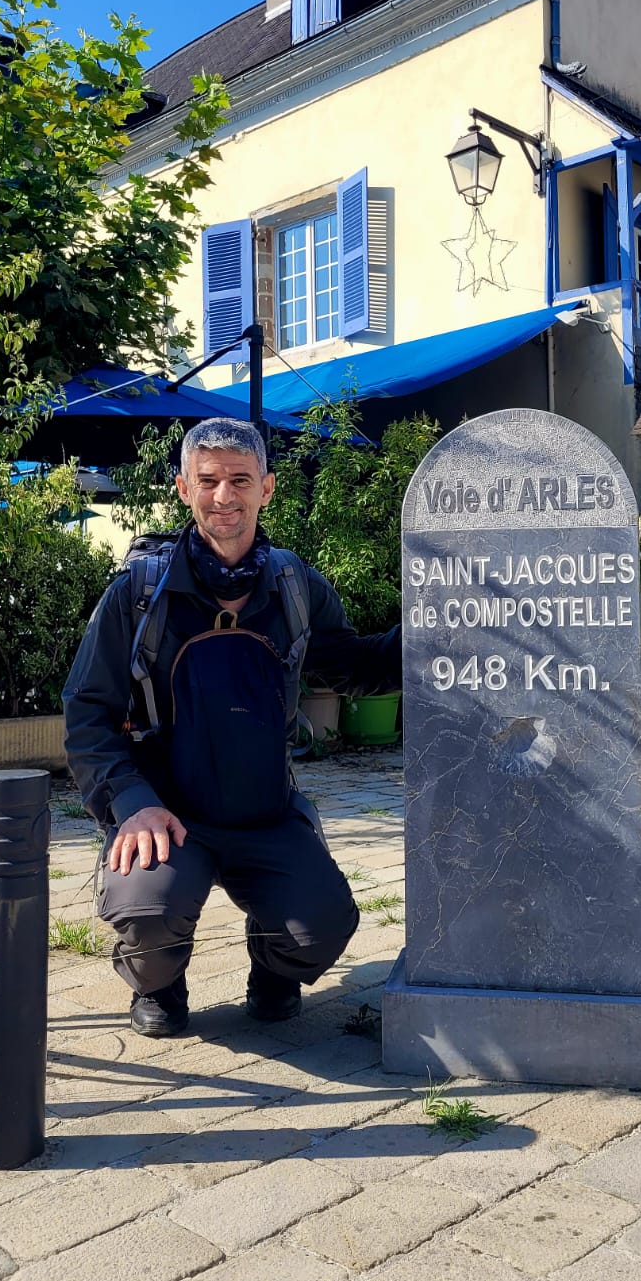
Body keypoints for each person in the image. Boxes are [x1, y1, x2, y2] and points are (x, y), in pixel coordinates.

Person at [62, 416, 400, 1038]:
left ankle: (273, 968)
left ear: (266, 489)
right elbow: (87, 713)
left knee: (323, 925)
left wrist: (437, 630)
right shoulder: (138, 593)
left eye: (240, 480)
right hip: (167, 820)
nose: (225, 496)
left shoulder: (296, 586)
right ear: (184, 488)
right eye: (209, 480)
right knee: (150, 912)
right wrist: (130, 804)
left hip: (264, 815)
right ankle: (160, 982)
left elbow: (350, 667)